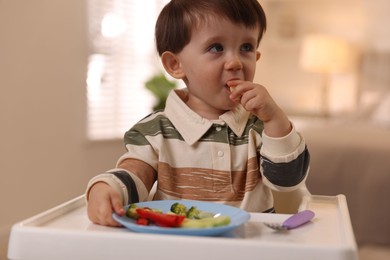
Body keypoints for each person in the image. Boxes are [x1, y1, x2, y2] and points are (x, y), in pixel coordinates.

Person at [86, 0, 310, 227]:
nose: (235, 62)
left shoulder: (261, 126)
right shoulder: (156, 131)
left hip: (251, 245)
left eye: (246, 48)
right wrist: (107, 187)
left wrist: (275, 120)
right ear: (175, 64)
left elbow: (288, 181)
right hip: (179, 247)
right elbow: (135, 174)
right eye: (216, 48)